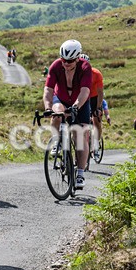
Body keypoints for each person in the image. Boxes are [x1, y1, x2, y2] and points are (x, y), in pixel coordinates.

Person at [43, 39, 92, 190]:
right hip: (62, 97)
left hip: (80, 101)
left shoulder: (85, 67)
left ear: (78, 58)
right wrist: (47, 107)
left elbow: (85, 91)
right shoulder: (56, 66)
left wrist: (76, 106)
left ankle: (80, 174)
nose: (66, 63)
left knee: (80, 135)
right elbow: (48, 90)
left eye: (70, 61)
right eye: (63, 60)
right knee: (57, 113)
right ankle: (57, 141)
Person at [80, 52, 106, 152]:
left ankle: (96, 142)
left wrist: (98, 107)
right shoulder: (77, 73)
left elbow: (100, 92)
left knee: (96, 120)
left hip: (94, 98)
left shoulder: (96, 73)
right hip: (83, 97)